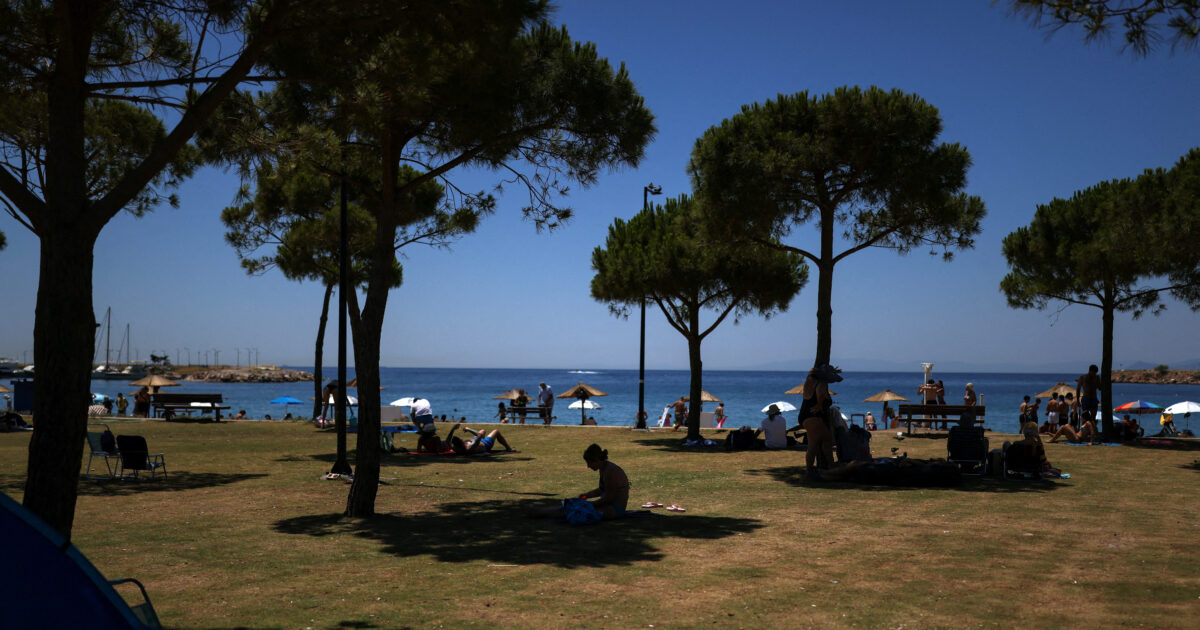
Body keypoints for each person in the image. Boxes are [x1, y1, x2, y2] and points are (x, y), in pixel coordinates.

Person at [525, 444, 630, 521]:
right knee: (572, 505)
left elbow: (609, 498)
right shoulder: (604, 468)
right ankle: (537, 511)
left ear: (597, 460)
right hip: (609, 506)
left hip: (614, 510)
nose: (588, 466)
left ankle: (537, 512)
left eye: (589, 463)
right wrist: (586, 495)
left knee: (575, 509)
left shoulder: (610, 472)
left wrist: (590, 504)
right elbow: (602, 490)